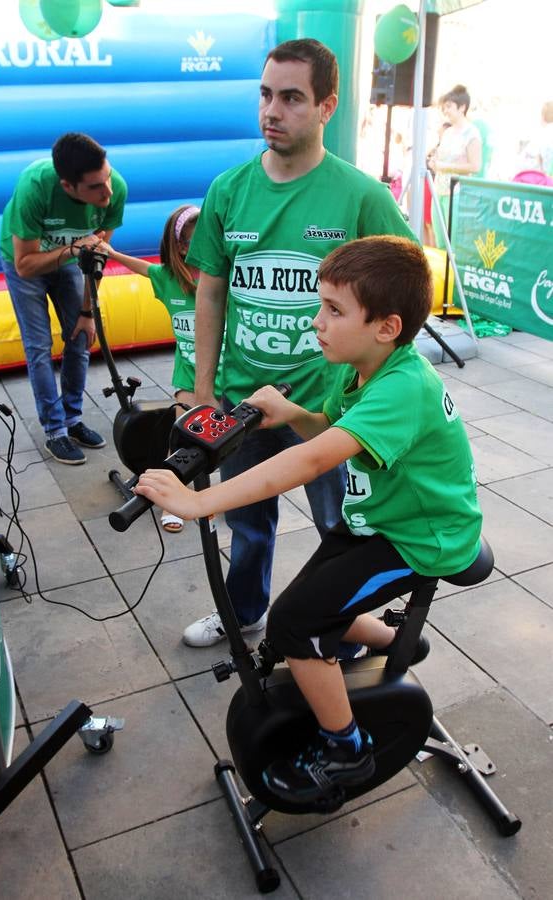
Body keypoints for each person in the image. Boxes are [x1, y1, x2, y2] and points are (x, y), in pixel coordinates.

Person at [133, 235, 482, 804]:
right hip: (378, 520)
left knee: (294, 623)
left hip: (423, 539)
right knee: (303, 610)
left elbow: (313, 460)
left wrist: (199, 502)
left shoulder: (403, 387)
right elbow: (333, 433)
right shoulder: (360, 368)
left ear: (387, 327)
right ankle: (399, 641)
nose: (317, 322)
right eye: (320, 305)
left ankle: (346, 749)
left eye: (334, 310)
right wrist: (292, 413)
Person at [183, 37, 417, 648]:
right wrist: (203, 390)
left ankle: (334, 626)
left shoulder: (362, 196)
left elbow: (407, 294)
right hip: (241, 401)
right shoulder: (229, 190)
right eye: (265, 94)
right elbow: (209, 293)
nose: (272, 110)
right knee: (247, 524)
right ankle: (244, 611)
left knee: (340, 530)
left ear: (326, 107)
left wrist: (375, 395)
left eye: (291, 97)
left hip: (328, 411)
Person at [0, 132, 128, 465]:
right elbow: (24, 265)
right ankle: (55, 430)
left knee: (80, 336)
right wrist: (71, 249)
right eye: (96, 187)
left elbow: (95, 258)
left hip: (72, 262)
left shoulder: (115, 188)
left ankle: (72, 419)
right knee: (39, 346)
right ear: (68, 186)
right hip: (26, 263)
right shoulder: (35, 187)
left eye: (108, 178)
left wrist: (88, 311)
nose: (108, 191)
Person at [100, 204, 208, 532]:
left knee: (224, 439)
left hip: (226, 375)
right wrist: (112, 253)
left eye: (201, 239)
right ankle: (174, 500)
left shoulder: (223, 278)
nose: (194, 248)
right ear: (178, 247)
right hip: (189, 372)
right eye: (187, 242)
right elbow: (144, 269)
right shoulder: (168, 279)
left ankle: (217, 498)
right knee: (185, 434)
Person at [428, 85, 482, 250]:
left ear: (462, 107)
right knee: (440, 241)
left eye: (449, 106)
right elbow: (439, 156)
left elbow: (475, 166)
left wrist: (445, 166)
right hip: (438, 191)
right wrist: (434, 162)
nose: (446, 110)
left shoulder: (472, 133)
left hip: (457, 193)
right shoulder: (447, 132)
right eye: (444, 107)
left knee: (455, 244)